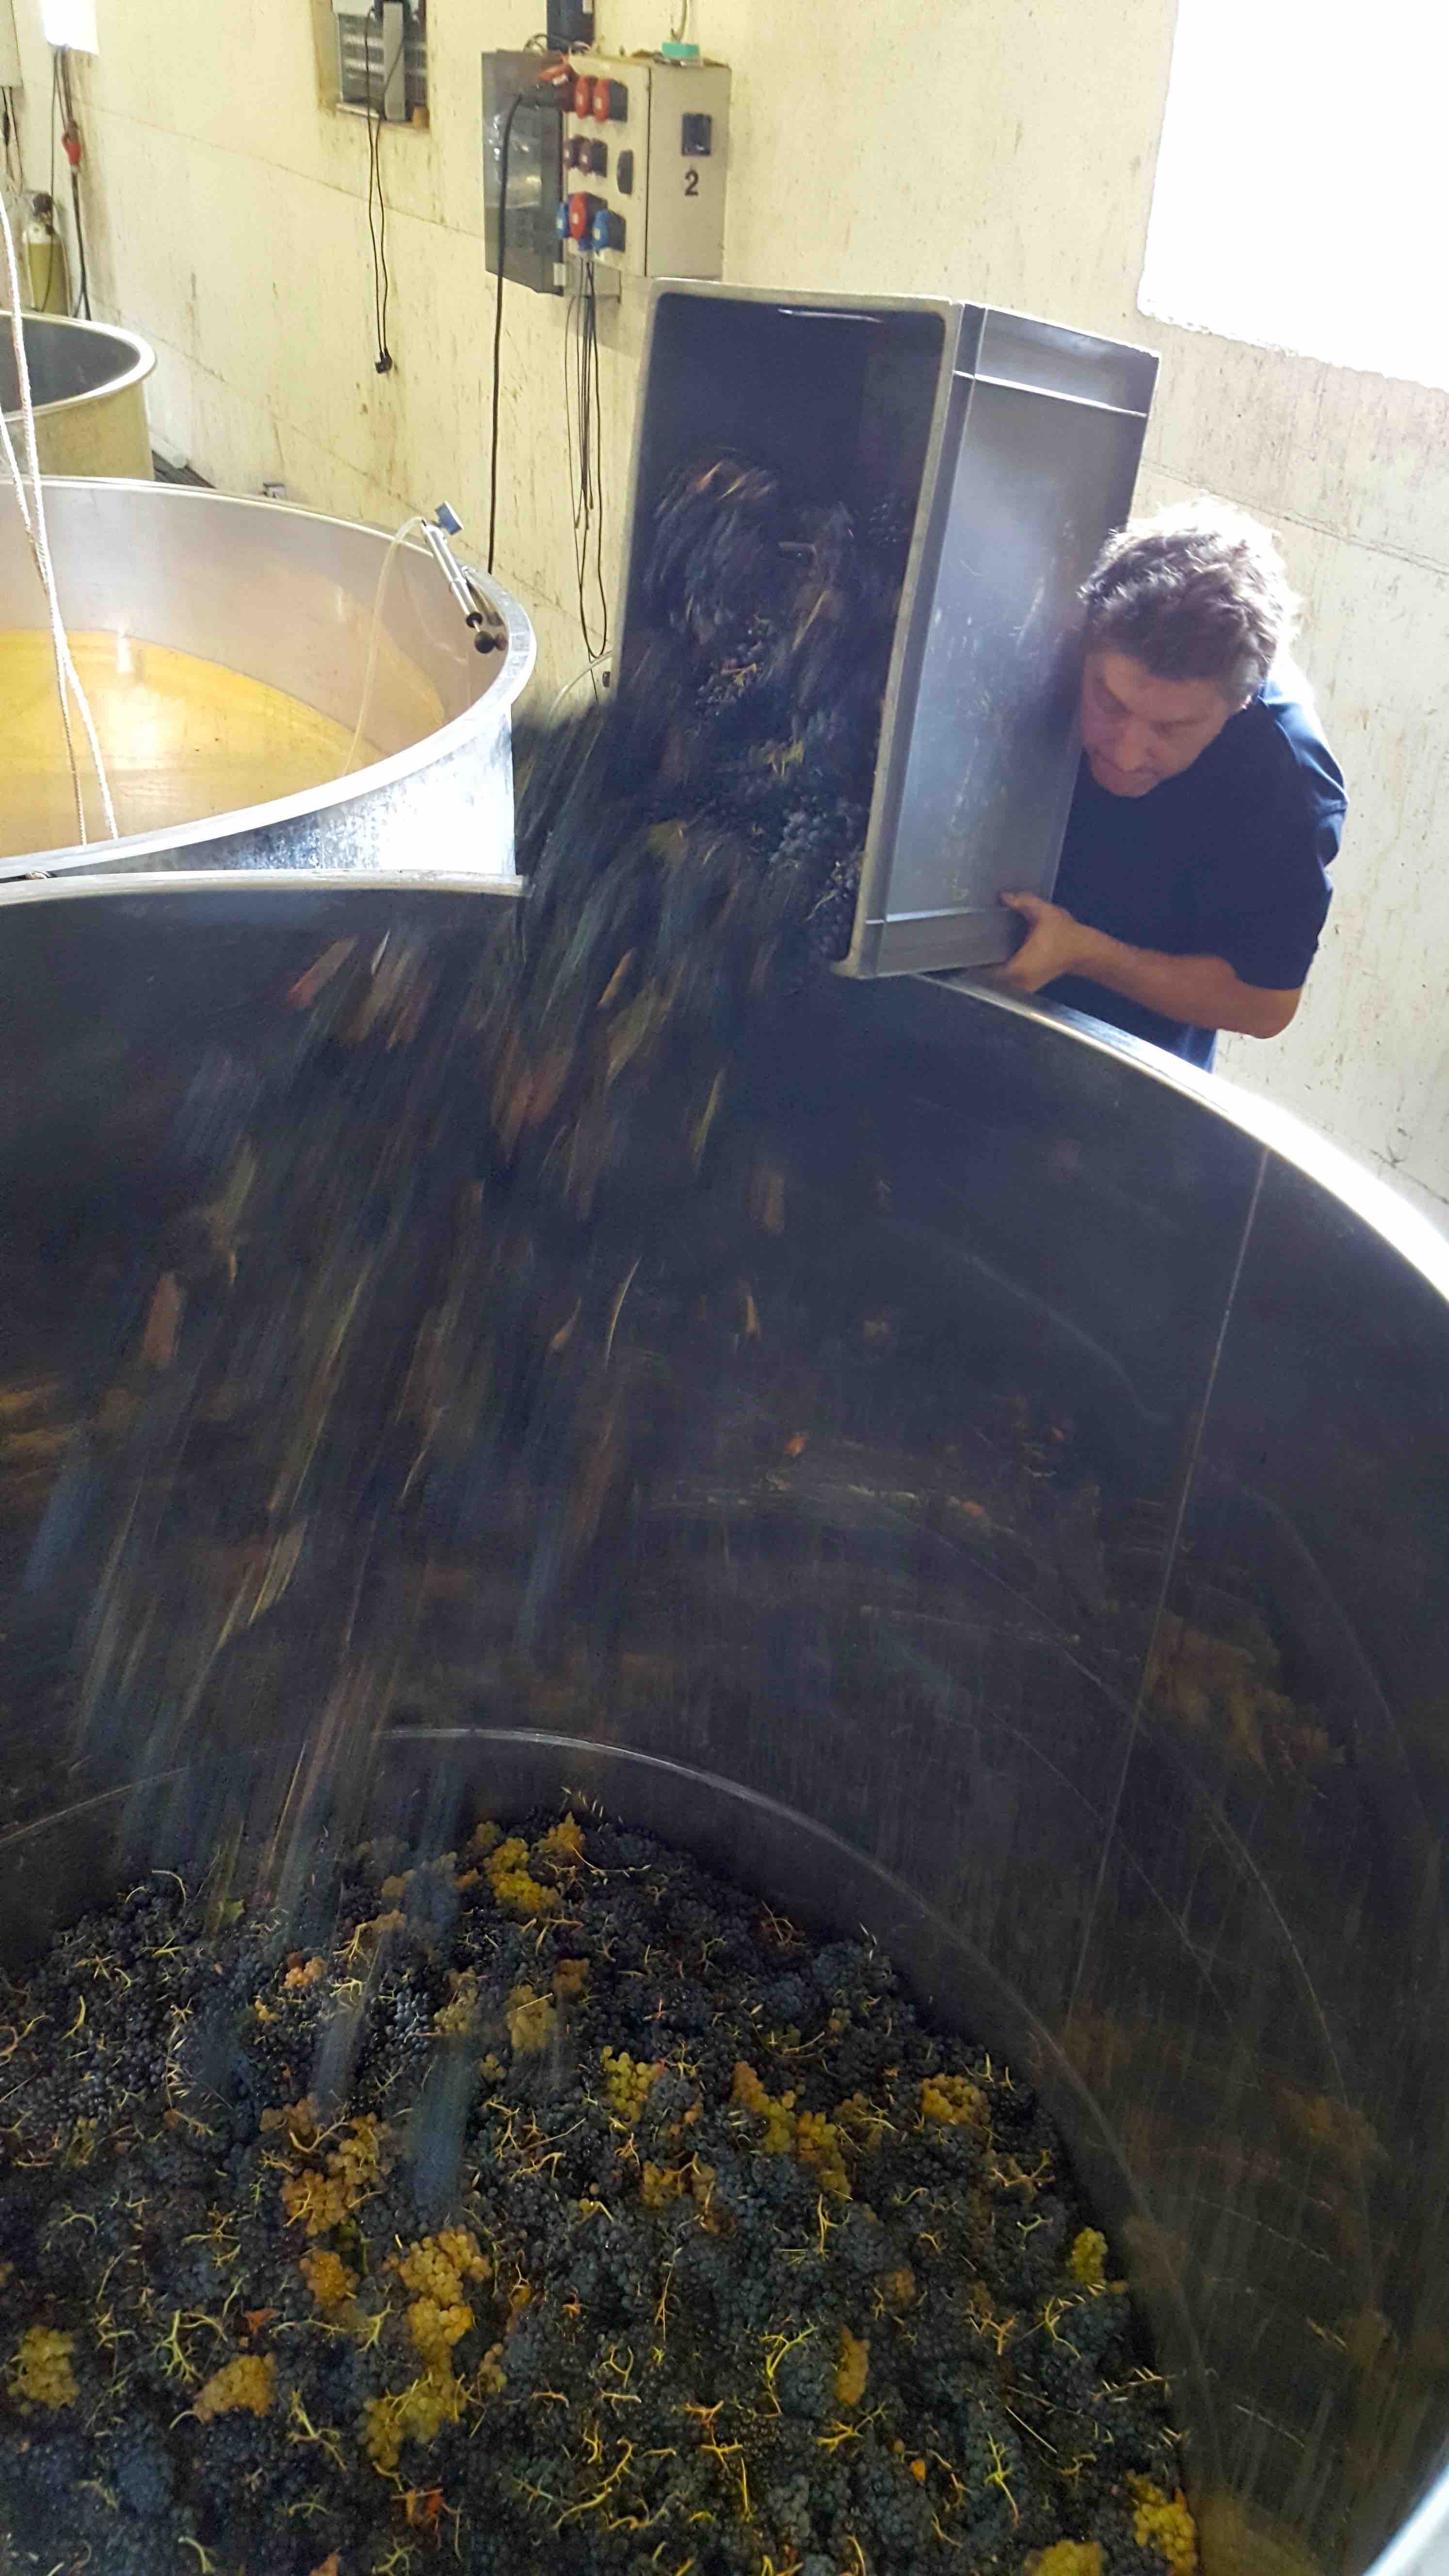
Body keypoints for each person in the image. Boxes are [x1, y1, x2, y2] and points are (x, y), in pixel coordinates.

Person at [996, 501, 1347, 1069]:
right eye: (1111, 702)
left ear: (1239, 705)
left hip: (1119, 1071)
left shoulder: (1287, 780)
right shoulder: (1034, 641)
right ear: (1084, 641)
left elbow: (1265, 1003)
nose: (1126, 754)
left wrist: (1086, 953)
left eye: (1171, 729)